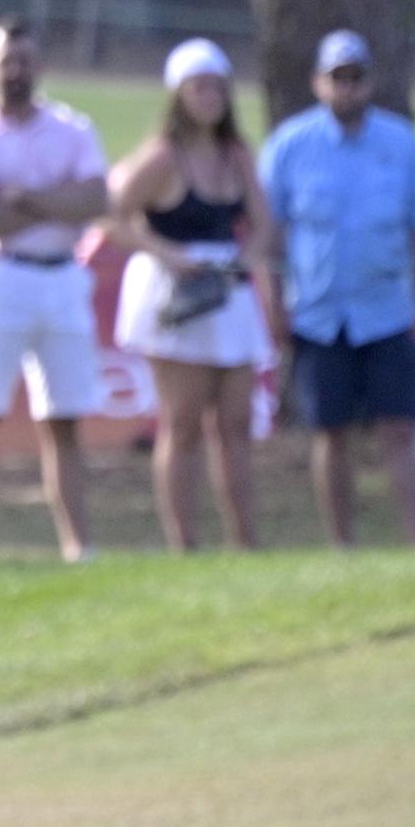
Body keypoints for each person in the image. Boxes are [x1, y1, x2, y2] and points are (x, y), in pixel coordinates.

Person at [256, 31, 415, 548]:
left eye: (355, 77)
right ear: (320, 83)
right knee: (331, 432)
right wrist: (272, 299)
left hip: (387, 310)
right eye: (337, 78)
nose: (347, 88)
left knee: (400, 431)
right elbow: (266, 234)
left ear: (370, 82)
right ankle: (344, 545)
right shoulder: (290, 146)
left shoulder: (400, 142)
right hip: (319, 313)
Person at [0, 18, 113, 562]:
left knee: (63, 419)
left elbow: (93, 202)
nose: (15, 72)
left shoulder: (72, 129)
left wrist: (23, 200)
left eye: (24, 61)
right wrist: (52, 201)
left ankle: (76, 545)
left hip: (61, 276)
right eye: (5, 62)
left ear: (41, 66)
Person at [109, 39, 274, 552]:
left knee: (236, 423)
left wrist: (248, 259)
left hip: (227, 293)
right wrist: (166, 253)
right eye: (200, 87)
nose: (210, 97)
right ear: (179, 94)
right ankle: (185, 544)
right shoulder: (162, 157)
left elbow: (265, 223)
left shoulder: (237, 155)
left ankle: (244, 541)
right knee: (182, 423)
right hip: (178, 297)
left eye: (218, 87)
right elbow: (111, 216)